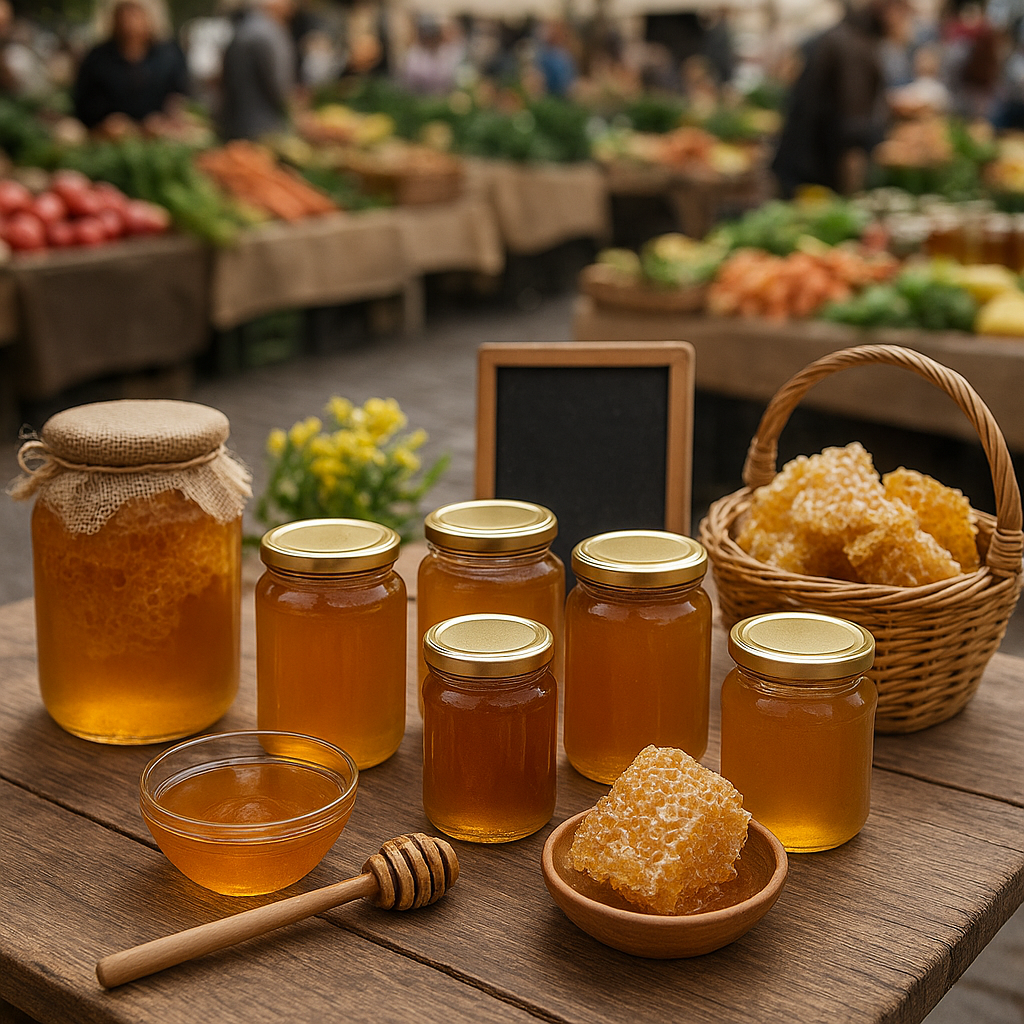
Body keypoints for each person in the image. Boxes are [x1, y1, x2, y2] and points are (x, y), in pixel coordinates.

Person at [771, 0, 910, 197]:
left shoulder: (848, 36)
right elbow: (852, 126)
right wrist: (852, 191)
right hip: (814, 169)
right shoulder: (854, 45)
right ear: (890, 12)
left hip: (805, 161)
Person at [73, 0, 188, 130]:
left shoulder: (169, 55)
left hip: (160, 131)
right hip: (107, 133)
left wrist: (168, 116)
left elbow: (180, 94)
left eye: (134, 13)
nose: (128, 20)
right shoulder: (97, 57)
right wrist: (107, 120)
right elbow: (84, 102)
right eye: (123, 12)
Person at [219, 0, 296, 141]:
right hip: (264, 126)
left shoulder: (242, 29)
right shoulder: (270, 33)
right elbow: (278, 84)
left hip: (235, 123)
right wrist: (293, 111)